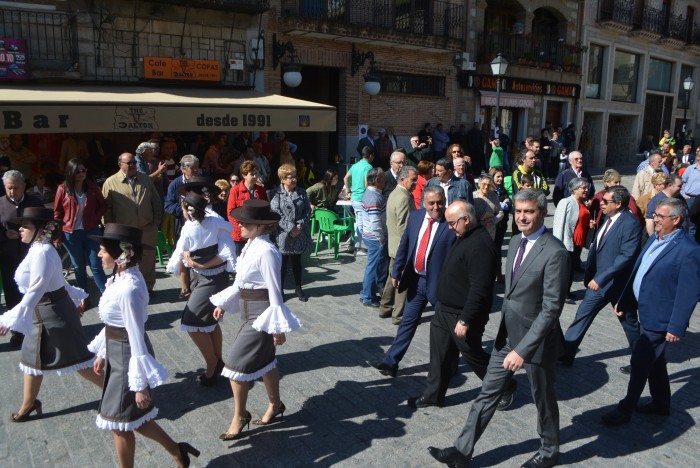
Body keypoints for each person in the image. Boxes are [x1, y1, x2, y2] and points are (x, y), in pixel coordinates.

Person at [428, 189, 570, 468]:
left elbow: (551, 309)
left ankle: (550, 450)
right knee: (487, 393)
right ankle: (461, 450)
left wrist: (523, 350)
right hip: (507, 335)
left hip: (535, 341)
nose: (522, 217)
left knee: (543, 399)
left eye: (528, 211)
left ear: (542, 212)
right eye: (518, 211)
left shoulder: (555, 252)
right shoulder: (515, 241)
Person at [88, 224, 199, 467]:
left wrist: (140, 384)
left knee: (119, 422)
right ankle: (176, 450)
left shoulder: (129, 287)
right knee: (130, 418)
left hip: (129, 355)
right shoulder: (120, 279)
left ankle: (173, 451)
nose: (99, 254)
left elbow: (135, 334)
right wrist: (103, 352)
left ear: (120, 253)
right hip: (118, 352)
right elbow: (114, 323)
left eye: (102, 250)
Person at [601, 198, 700, 426]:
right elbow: (639, 271)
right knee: (655, 361)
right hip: (642, 308)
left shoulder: (689, 250)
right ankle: (661, 403)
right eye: (654, 215)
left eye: (660, 216)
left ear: (676, 220)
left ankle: (626, 409)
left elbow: (688, 293)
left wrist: (676, 326)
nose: (654, 219)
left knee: (640, 361)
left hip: (659, 316)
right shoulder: (655, 238)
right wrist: (625, 300)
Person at [210, 199, 302, 440]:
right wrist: (222, 302)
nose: (239, 225)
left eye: (245, 222)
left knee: (233, 367)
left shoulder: (267, 251)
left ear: (260, 225)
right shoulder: (251, 244)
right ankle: (276, 404)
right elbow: (241, 282)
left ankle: (240, 416)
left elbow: (275, 291)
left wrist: (277, 327)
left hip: (262, 314)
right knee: (266, 362)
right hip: (248, 309)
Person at [407, 200, 513, 409]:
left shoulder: (481, 245)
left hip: (462, 315)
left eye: (453, 223)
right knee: (439, 356)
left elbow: (480, 289)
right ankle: (433, 395)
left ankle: (505, 385)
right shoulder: (464, 235)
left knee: (473, 355)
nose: (450, 227)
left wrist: (465, 319)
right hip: (443, 310)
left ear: (466, 219)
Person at [0, 207, 102, 421]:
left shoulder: (43, 252)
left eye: (25, 226)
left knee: (80, 362)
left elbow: (37, 287)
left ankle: (117, 391)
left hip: (54, 314)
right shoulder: (38, 248)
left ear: (39, 230)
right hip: (41, 312)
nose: (20, 229)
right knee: (31, 361)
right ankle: (29, 404)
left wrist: (12, 317)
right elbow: (55, 281)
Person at [366, 186, 455, 377]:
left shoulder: (451, 223)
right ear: (424, 203)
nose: (436, 207)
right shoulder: (415, 218)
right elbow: (405, 245)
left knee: (448, 327)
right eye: (431, 203)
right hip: (416, 281)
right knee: (407, 322)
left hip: (440, 285)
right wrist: (396, 272)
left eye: (440, 202)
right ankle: (391, 362)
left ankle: (452, 363)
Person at [559, 186, 642, 369]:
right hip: (597, 284)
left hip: (617, 285)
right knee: (582, 316)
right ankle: (566, 354)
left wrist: (602, 277)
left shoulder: (630, 224)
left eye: (605, 201)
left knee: (629, 324)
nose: (600, 204)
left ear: (618, 203)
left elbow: (626, 256)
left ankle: (640, 360)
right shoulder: (609, 218)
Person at [167, 193, 236, 386]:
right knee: (209, 322)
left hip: (213, 278)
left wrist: (201, 265)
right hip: (207, 278)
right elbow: (183, 252)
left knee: (191, 321)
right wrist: (189, 260)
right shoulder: (203, 224)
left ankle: (212, 363)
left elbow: (227, 254)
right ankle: (218, 362)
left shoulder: (214, 222)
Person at [102, 153, 163, 296]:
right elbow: (107, 209)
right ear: (120, 164)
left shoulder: (145, 179)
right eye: (129, 163)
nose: (133, 165)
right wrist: (110, 230)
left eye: (134, 163)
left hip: (146, 228)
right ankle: (126, 289)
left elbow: (156, 202)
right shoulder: (110, 182)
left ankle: (147, 288)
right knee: (125, 260)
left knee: (147, 259)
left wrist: (155, 223)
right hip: (124, 231)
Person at [54, 158, 108, 301]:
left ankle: (108, 297)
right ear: (70, 172)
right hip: (71, 233)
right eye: (77, 171)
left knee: (96, 265)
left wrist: (95, 218)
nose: (81, 173)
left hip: (91, 231)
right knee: (79, 267)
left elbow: (103, 205)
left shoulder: (92, 187)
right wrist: (57, 235)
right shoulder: (62, 189)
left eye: (83, 170)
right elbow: (57, 213)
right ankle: (83, 297)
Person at [0, 170, 43, 347]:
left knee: (35, 294)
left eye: (16, 188)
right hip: (8, 257)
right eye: (9, 188)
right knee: (12, 295)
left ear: (24, 186)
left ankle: (40, 330)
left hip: (31, 256)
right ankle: (18, 332)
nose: (12, 192)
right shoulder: (0, 203)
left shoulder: (34, 202)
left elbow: (45, 225)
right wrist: (4, 234)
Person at [379, 166, 417, 324]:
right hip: (401, 247)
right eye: (413, 179)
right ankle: (398, 315)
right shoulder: (403, 197)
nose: (415, 182)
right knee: (402, 281)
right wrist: (407, 250)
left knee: (391, 278)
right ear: (403, 179)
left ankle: (385, 307)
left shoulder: (395, 193)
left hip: (394, 246)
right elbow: (404, 227)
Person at [270, 163, 313, 302]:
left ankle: (298, 287)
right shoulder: (276, 193)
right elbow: (276, 212)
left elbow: (308, 210)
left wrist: (299, 226)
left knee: (297, 262)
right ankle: (280, 290)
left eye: (294, 177)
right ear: (282, 179)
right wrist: (291, 228)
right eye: (290, 177)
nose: (293, 180)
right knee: (282, 263)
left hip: (299, 233)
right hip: (284, 234)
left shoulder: (302, 192)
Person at [552, 177, 591, 299]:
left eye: (586, 187)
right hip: (567, 242)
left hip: (578, 242)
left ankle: (566, 292)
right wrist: (558, 245)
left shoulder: (582, 203)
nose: (586, 190)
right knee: (564, 270)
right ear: (574, 189)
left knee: (571, 269)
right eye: (583, 188)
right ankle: (559, 294)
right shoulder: (566, 202)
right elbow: (558, 224)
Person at [358, 168, 388, 307]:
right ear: (377, 180)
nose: (385, 180)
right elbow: (375, 221)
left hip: (369, 235)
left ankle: (366, 292)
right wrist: (381, 238)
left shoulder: (369, 193)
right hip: (375, 237)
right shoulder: (374, 197)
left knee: (372, 266)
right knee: (373, 267)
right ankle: (368, 296)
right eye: (383, 177)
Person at [227, 160, 268, 255]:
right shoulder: (235, 191)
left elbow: (265, 209)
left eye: (256, 173)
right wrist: (243, 229)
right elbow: (230, 213)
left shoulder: (261, 190)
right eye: (251, 174)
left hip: (257, 233)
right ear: (244, 175)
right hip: (240, 234)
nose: (255, 176)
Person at [343, 146, 374, 254]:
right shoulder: (368, 167)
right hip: (362, 199)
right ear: (370, 156)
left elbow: (345, 178)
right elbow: (367, 183)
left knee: (358, 223)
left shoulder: (355, 166)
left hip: (354, 199)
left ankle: (353, 244)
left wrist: (348, 191)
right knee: (361, 224)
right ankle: (357, 248)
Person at [491, 167, 511, 283]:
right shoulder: (490, 190)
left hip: (501, 224)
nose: (500, 178)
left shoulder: (503, 190)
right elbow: (492, 207)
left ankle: (498, 274)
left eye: (501, 176)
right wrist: (503, 205)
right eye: (498, 176)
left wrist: (504, 205)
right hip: (492, 224)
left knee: (498, 248)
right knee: (491, 249)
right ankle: (492, 273)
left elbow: (509, 206)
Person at [472, 174, 503, 240]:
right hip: (477, 229)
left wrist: (493, 220)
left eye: (488, 185)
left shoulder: (494, 196)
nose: (486, 187)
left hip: (490, 229)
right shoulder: (473, 196)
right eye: (484, 184)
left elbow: (500, 213)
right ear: (479, 184)